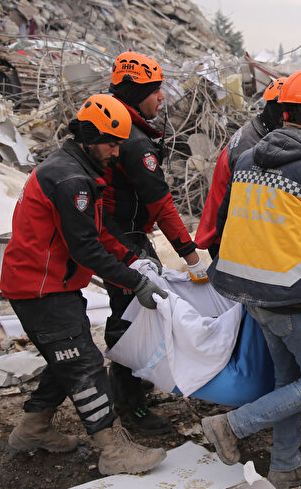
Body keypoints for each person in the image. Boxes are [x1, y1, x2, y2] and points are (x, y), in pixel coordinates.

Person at [0, 95, 167, 475]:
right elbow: (85, 247)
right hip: (40, 289)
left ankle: (33, 428)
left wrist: (129, 258)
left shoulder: (77, 169)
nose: (116, 151)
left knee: (67, 359)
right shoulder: (71, 177)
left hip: (47, 284)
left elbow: (97, 230)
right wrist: (135, 281)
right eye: (111, 143)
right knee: (85, 366)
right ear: (89, 136)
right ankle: (112, 449)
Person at [201, 69, 301, 489]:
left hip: (248, 290)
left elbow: (226, 220)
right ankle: (231, 427)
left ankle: (285, 467)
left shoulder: (247, 158)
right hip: (290, 294)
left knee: (289, 380)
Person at [103, 50, 207, 434]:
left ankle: (130, 393)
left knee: (133, 313)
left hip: (120, 230)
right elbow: (159, 202)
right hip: (123, 237)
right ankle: (130, 407)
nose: (161, 98)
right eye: (155, 91)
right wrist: (189, 253)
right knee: (135, 317)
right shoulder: (133, 141)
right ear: (134, 92)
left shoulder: (118, 127)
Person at [195, 76, 286, 258]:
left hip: (228, 233)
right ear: (283, 112)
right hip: (226, 238)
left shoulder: (259, 131)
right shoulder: (252, 147)